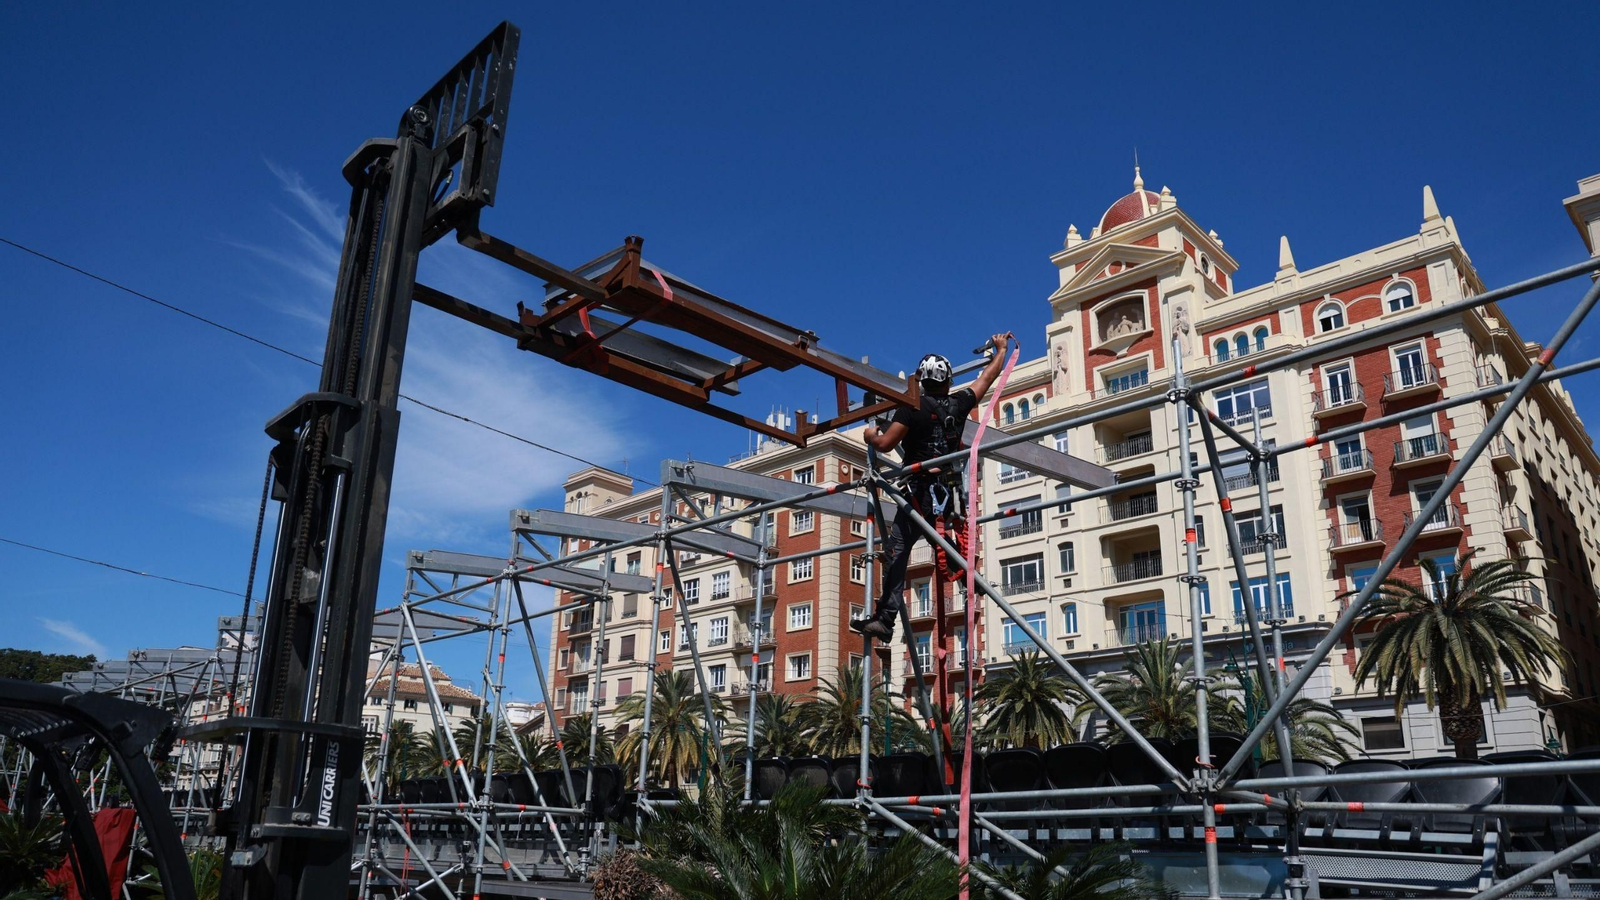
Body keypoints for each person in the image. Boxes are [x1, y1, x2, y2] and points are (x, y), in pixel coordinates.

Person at [850, 333, 1013, 641]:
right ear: (948, 380)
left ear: (922, 381)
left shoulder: (913, 407)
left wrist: (870, 435)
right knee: (935, 537)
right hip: (947, 491)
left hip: (919, 492)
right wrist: (1002, 350)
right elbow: (987, 378)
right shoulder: (960, 403)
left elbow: (885, 443)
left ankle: (886, 618)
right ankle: (966, 572)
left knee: (897, 550)